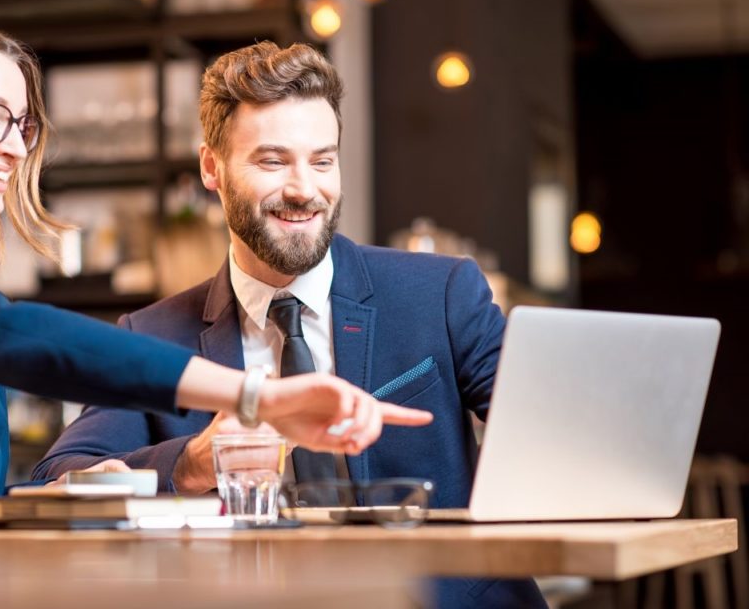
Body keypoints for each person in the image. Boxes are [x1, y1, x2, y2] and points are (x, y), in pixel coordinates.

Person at [0, 17, 431, 543]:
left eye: (20, 124)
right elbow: (6, 335)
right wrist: (258, 397)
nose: (16, 147)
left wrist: (58, 497)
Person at [32, 41, 547, 608]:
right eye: (273, 161)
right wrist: (192, 462)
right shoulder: (152, 335)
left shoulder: (441, 293)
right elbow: (57, 480)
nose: (305, 189)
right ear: (212, 168)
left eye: (322, 160)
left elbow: (547, 431)